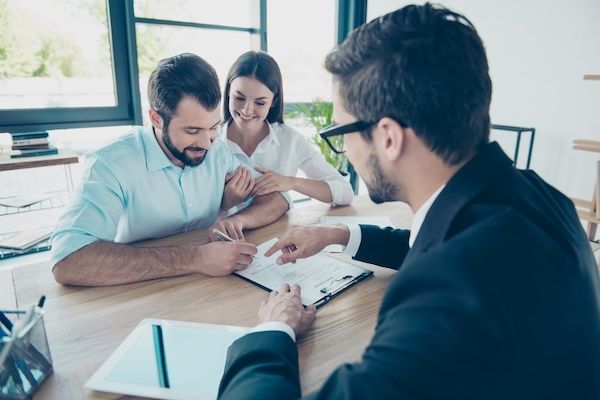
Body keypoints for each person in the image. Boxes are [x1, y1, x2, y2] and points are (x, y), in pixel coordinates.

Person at [217, 4, 600, 399]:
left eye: (342, 130)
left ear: (388, 137)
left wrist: (272, 330)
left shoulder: (445, 298)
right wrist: (336, 234)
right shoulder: (538, 196)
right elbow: (444, 240)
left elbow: (452, 271)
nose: (345, 149)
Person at [51, 53, 289, 287]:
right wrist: (195, 259)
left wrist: (238, 220)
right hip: (137, 291)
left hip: (209, 288)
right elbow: (68, 260)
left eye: (213, 128)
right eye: (192, 131)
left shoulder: (219, 151)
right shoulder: (109, 164)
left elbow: (278, 198)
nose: (207, 143)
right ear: (156, 118)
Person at [219, 51, 354, 213]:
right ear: (228, 93)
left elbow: (345, 193)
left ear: (273, 102)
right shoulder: (211, 141)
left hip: (276, 233)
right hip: (222, 235)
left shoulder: (290, 140)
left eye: (260, 103)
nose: (247, 110)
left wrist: (290, 182)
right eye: (239, 98)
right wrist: (224, 203)